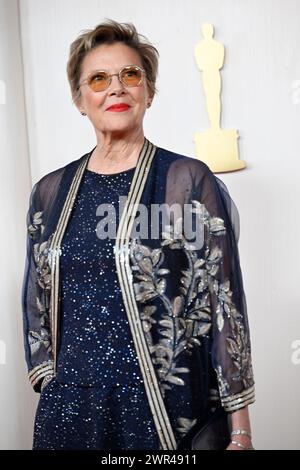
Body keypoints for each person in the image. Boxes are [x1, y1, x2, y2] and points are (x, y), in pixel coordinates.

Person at [21, 19, 255, 451]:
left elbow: (224, 304)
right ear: (79, 99)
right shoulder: (49, 192)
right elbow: (37, 299)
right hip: (71, 414)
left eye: (130, 75)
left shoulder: (185, 180)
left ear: (149, 91)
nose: (116, 88)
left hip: (168, 411)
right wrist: (51, 382)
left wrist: (240, 432)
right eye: (98, 79)